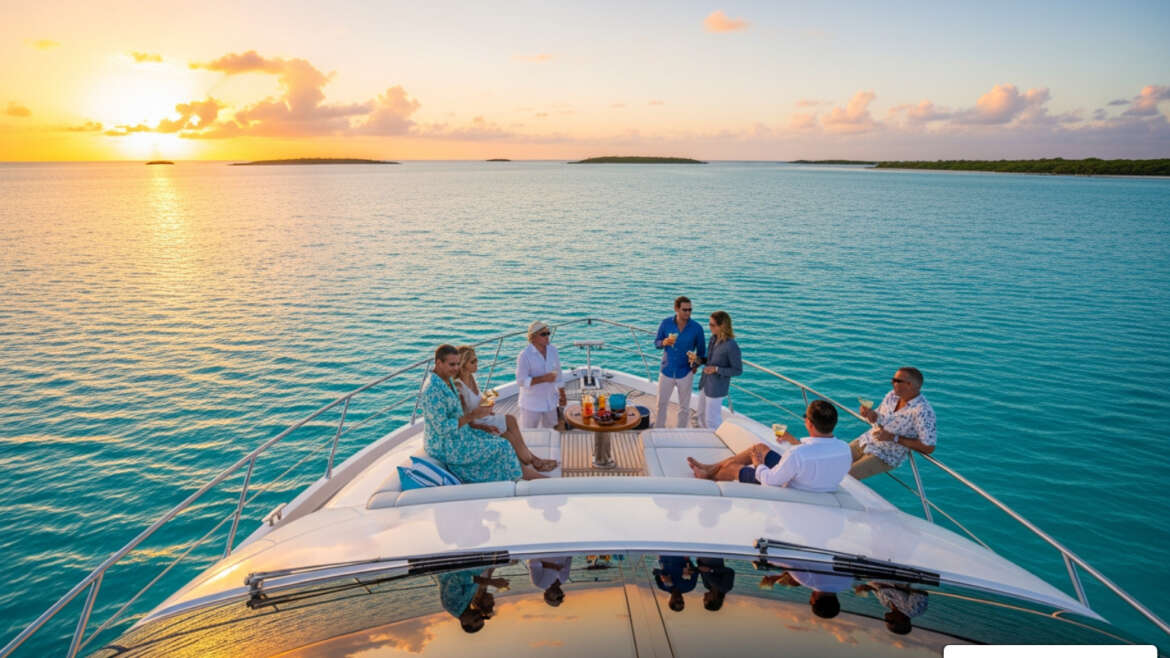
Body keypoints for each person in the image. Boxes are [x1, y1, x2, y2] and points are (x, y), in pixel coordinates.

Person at [422, 344, 545, 482]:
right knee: (502, 446)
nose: (456, 368)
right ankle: (522, 476)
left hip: (463, 433)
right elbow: (443, 428)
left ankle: (522, 471)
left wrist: (481, 427)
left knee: (502, 439)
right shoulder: (432, 391)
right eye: (452, 364)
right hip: (446, 445)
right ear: (439, 363)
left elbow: (458, 416)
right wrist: (474, 415)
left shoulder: (447, 379)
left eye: (457, 364)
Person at [687, 399, 850, 493]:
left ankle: (707, 476)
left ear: (809, 423)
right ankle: (709, 468)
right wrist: (791, 440)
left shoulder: (797, 454)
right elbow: (817, 452)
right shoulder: (844, 449)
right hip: (811, 482)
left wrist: (758, 464)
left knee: (732, 468)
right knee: (759, 447)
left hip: (789, 488)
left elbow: (770, 481)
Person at [455, 346, 557, 472]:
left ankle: (530, 458)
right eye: (473, 361)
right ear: (463, 365)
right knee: (507, 435)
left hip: (484, 417)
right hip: (477, 424)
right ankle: (529, 462)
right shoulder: (459, 387)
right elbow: (465, 418)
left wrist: (488, 405)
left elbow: (478, 401)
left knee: (511, 419)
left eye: (476, 360)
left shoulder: (471, 378)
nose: (477, 364)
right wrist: (483, 427)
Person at [849, 367, 937, 480]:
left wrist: (893, 438)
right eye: (893, 379)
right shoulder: (892, 396)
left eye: (897, 381)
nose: (892, 383)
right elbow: (878, 417)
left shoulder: (923, 412)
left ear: (909, 385)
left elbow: (929, 447)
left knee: (847, 476)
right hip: (866, 440)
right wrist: (870, 414)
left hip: (885, 455)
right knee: (833, 459)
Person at [653, 297, 706, 428]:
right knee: (661, 403)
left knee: (684, 407)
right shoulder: (665, 323)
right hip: (667, 370)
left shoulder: (697, 328)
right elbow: (656, 343)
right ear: (676, 309)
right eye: (684, 310)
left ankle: (680, 431)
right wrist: (664, 342)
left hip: (685, 372)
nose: (688, 313)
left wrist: (695, 364)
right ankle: (658, 429)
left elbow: (702, 353)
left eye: (690, 310)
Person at [694, 311, 742, 429]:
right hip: (705, 383)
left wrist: (716, 369)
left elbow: (737, 370)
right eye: (709, 324)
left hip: (716, 388)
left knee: (712, 420)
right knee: (700, 415)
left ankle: (714, 443)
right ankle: (704, 439)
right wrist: (697, 359)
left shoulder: (731, 346)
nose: (709, 327)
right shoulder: (713, 339)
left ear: (722, 326)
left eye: (712, 325)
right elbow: (709, 361)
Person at [760, 559, 852, 619]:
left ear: (837, 601)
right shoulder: (806, 580)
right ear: (814, 600)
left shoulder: (848, 582)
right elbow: (782, 559)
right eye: (810, 602)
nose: (809, 600)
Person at [516, 321, 566, 429]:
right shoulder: (524, 355)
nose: (547, 336)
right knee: (528, 435)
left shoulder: (553, 350)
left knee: (552, 432)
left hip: (551, 402)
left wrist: (562, 394)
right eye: (543, 334)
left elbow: (559, 374)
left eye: (548, 333)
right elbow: (521, 381)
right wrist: (543, 379)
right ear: (533, 337)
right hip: (531, 405)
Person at [438, 568, 508, 633]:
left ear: (464, 623)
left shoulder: (452, 605)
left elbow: (455, 578)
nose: (478, 615)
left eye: (476, 620)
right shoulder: (465, 606)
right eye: (481, 617)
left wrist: (491, 582)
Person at [855, 581, 929, 635]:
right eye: (890, 621)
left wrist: (867, 588)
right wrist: (897, 587)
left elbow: (877, 590)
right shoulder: (914, 610)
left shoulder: (886, 605)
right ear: (901, 621)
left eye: (886, 622)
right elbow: (920, 590)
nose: (886, 620)